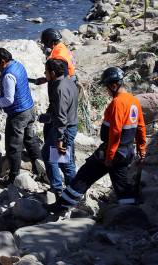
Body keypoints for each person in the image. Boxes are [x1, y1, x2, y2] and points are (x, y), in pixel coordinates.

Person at [49, 67, 147, 214]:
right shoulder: (134, 101)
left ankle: (60, 207)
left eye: (107, 87)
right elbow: (140, 128)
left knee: (84, 176)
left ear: (114, 85)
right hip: (126, 152)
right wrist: (142, 150)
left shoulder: (118, 103)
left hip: (111, 151)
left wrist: (109, 157)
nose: (107, 91)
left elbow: (115, 133)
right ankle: (130, 214)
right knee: (121, 185)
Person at [0, 48, 44, 185]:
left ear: (3, 61)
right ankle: (41, 170)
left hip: (18, 114)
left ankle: (13, 178)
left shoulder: (8, 75)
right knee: (30, 140)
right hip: (29, 108)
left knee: (13, 146)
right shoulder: (18, 65)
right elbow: (23, 80)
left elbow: (8, 100)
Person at [41, 59, 79, 199]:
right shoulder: (69, 81)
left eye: (46, 71)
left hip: (65, 128)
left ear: (52, 73)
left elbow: (61, 117)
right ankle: (73, 190)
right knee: (64, 160)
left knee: (50, 156)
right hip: (70, 125)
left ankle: (58, 190)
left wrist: (59, 139)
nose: (44, 74)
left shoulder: (59, 88)